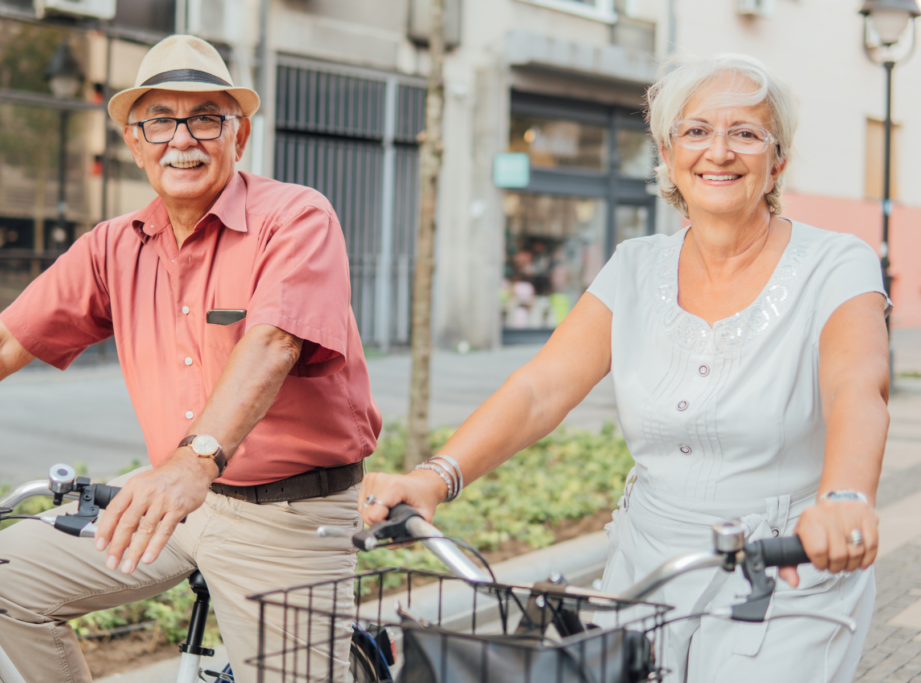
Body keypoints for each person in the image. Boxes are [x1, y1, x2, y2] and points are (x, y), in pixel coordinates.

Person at [361, 53, 888, 682]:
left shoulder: (837, 263)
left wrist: (845, 497)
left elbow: (857, 386)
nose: (718, 151)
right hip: (647, 563)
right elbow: (541, 388)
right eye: (695, 131)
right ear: (666, 155)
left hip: (789, 559)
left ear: (776, 161)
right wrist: (435, 476)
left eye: (745, 133)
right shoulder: (636, 266)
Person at [0, 35, 381, 682]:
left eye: (206, 116)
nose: (182, 138)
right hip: (171, 497)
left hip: (286, 515)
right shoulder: (112, 247)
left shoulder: (294, 217)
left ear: (238, 135)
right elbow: (3, 342)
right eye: (160, 119)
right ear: (134, 141)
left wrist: (194, 459)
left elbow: (272, 343)